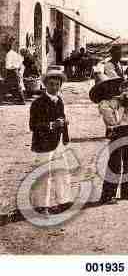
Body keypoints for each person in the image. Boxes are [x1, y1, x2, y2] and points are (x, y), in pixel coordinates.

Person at [90, 72, 128, 204]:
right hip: (117, 132)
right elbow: (113, 121)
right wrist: (122, 105)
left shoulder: (121, 98)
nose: (110, 89)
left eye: (111, 86)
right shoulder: (104, 104)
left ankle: (127, 191)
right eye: (106, 87)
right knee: (115, 165)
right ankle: (108, 195)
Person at [29, 66, 72, 215]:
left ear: (60, 86)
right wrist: (51, 125)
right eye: (51, 84)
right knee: (43, 174)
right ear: (45, 85)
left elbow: (62, 118)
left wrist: (65, 133)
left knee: (62, 170)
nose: (54, 87)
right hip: (43, 143)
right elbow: (33, 125)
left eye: (57, 84)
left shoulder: (59, 100)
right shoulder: (38, 103)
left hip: (58, 141)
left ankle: (64, 200)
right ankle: (41, 205)